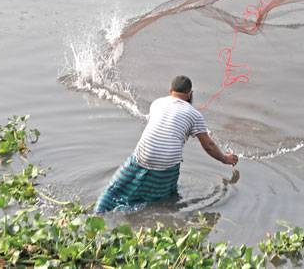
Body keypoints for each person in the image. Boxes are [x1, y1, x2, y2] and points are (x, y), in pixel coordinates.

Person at [95, 75, 238, 213]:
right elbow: (209, 146)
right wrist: (225, 159)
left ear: (170, 92)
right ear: (190, 94)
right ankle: (157, 212)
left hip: (142, 155)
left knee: (115, 189)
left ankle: (99, 210)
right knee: (166, 197)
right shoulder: (195, 115)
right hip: (167, 163)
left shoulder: (157, 103)